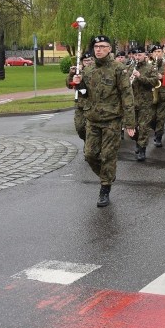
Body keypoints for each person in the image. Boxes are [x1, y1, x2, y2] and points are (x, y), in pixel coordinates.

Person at [71, 35, 136, 207]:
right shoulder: (89, 70)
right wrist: (78, 84)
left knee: (108, 155)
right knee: (90, 155)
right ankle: (107, 175)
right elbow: (85, 94)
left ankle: (105, 189)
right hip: (92, 119)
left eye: (102, 46)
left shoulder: (118, 69)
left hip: (112, 121)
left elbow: (127, 96)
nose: (98, 49)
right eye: (96, 46)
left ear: (109, 49)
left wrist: (130, 123)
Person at [67, 51, 94, 140]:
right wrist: (72, 74)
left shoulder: (96, 71)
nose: (87, 62)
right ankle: (87, 141)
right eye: (85, 60)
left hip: (93, 104)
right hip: (81, 104)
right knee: (79, 126)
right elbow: (69, 85)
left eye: (90, 60)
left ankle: (92, 145)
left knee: (93, 128)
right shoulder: (78, 72)